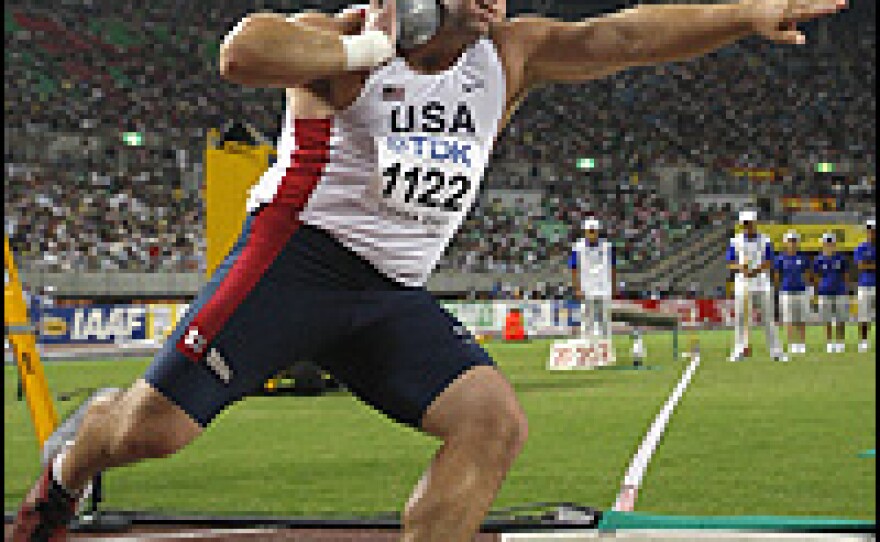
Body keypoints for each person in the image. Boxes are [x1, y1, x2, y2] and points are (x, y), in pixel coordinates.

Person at [13, 0, 848, 540]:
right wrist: (378, 41)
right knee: (153, 434)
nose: (494, 0)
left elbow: (620, 37)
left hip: (389, 292)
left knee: (494, 422)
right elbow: (243, 51)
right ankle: (64, 470)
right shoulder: (345, 42)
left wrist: (745, 14)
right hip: (292, 264)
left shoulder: (508, 56)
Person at [726, 210, 786, 362]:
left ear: (755, 223)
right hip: (743, 282)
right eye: (744, 224)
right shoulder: (735, 241)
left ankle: (776, 351)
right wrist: (741, 268)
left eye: (750, 223)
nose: (747, 227)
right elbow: (730, 263)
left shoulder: (765, 240)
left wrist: (755, 271)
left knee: (768, 318)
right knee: (741, 318)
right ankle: (739, 350)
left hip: (762, 282)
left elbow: (769, 261)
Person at [569, 218, 616, 341]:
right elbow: (574, 268)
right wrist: (577, 288)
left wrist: (614, 286)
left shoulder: (607, 246)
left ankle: (606, 346)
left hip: (604, 286)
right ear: (585, 232)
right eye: (589, 231)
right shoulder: (577, 247)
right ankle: (586, 345)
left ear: (597, 231)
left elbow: (613, 267)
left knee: (605, 319)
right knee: (587, 319)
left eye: (593, 231)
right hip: (587, 287)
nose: (591, 234)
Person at [774, 230, 812, 355]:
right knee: (789, 319)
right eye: (790, 241)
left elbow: (807, 274)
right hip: (786, 291)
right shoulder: (780, 258)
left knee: (801, 319)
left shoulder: (803, 257)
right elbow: (777, 275)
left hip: (801, 291)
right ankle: (791, 344)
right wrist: (778, 289)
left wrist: (808, 288)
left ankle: (801, 343)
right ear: (786, 243)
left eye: (794, 241)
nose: (792, 244)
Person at [814, 232, 850, 354]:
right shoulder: (818, 259)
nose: (829, 245)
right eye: (826, 243)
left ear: (834, 244)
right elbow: (815, 276)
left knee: (841, 319)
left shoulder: (841, 258)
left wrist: (845, 288)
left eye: (831, 243)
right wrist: (820, 287)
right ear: (823, 244)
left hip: (840, 292)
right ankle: (829, 343)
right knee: (827, 319)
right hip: (825, 292)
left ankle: (840, 343)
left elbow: (846, 275)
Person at [854, 219, 875, 353]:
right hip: (865, 285)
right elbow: (861, 266)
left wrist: (869, 265)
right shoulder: (861, 248)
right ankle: (863, 341)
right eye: (869, 231)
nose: (872, 233)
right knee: (863, 316)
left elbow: (865, 265)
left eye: (873, 231)